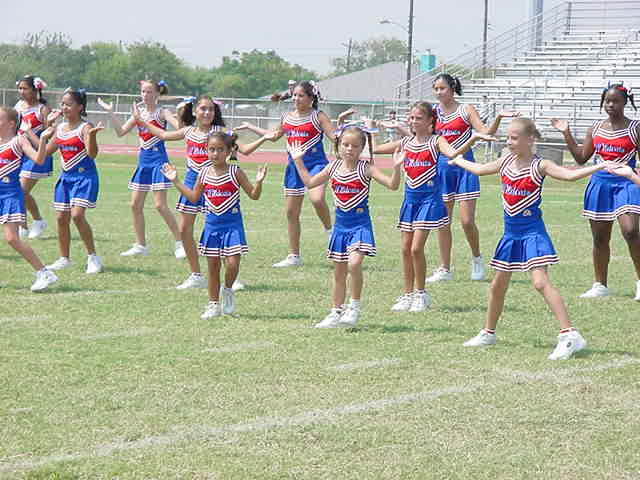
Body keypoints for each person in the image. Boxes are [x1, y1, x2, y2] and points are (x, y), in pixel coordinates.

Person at [453, 118, 607, 360]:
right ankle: (488, 333)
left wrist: (599, 166)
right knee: (497, 286)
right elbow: (480, 169)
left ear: (530, 139)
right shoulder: (505, 161)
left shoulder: (541, 165)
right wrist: (458, 159)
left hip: (533, 233)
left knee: (540, 282)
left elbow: (569, 176)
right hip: (510, 235)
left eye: (514, 138)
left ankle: (570, 334)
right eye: (507, 137)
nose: (509, 141)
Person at [133, 96, 275, 289]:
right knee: (184, 229)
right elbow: (163, 135)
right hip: (193, 181)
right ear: (194, 111)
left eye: (211, 109)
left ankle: (232, 278)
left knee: (220, 228)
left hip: (217, 181)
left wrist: (264, 138)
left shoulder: (221, 132)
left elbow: (245, 150)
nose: (207, 113)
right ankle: (196, 275)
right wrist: (141, 121)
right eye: (203, 109)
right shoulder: (188, 131)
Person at [372, 102, 496, 312]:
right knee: (405, 249)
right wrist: (372, 130)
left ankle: (421, 294)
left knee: (416, 248)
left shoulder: (436, 141)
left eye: (418, 118)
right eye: (411, 118)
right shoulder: (406, 142)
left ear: (431, 120)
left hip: (429, 201)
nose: (413, 121)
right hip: (410, 201)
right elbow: (375, 149)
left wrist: (473, 139)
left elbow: (454, 154)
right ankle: (407, 295)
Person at [289, 125, 403, 327]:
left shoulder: (366, 168)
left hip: (360, 225)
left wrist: (396, 168)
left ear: (362, 148)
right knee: (339, 273)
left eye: (355, 146)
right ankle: (336, 312)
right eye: (345, 144)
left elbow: (392, 185)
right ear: (338, 145)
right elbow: (310, 182)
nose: (349, 149)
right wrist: (298, 160)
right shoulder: (332, 167)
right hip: (340, 227)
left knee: (354, 264)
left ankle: (354, 307)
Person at [162, 132, 268, 319]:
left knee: (233, 264)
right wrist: (176, 180)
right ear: (206, 150)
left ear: (229, 151)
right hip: (212, 226)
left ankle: (227, 290)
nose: (216, 153)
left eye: (220, 149)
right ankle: (213, 305)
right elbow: (194, 197)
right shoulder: (203, 173)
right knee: (213, 268)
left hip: (232, 225)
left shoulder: (235, 172)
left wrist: (259, 182)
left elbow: (254, 195)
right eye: (212, 149)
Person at [552, 82, 640, 301]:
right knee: (600, 238)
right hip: (600, 184)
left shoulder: (635, 128)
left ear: (625, 102)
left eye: (615, 101)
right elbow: (581, 157)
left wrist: (634, 177)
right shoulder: (596, 128)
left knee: (631, 231)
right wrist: (566, 133)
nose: (610, 105)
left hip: (626, 183)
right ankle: (600, 285)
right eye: (607, 101)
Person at [428, 74, 519, 283]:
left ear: (452, 88)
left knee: (467, 221)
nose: (439, 92)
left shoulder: (466, 109)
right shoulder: (433, 113)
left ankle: (477, 258)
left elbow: (485, 132)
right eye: (436, 89)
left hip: (465, 168)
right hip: (441, 169)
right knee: (443, 221)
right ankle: (444, 268)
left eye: (442, 88)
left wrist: (498, 117)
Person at [239, 81, 334, 267]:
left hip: (316, 165)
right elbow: (274, 136)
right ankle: (293, 256)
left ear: (311, 98)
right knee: (291, 213)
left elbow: (335, 136)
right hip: (293, 168)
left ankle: (330, 231)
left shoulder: (318, 116)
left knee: (316, 199)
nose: (296, 99)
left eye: (301, 95)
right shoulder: (287, 117)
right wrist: (251, 126)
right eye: (295, 95)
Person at [97, 80, 183, 259]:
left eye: (149, 92)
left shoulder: (162, 112)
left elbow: (180, 130)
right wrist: (110, 112)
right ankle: (140, 245)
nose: (145, 95)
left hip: (159, 161)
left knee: (160, 206)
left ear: (157, 94)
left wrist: (181, 115)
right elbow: (120, 132)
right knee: (135, 205)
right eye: (143, 92)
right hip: (143, 162)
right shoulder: (139, 113)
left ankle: (180, 243)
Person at [36, 88, 104, 274]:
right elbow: (45, 152)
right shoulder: (60, 128)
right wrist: (42, 130)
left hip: (84, 177)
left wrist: (92, 136)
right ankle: (64, 258)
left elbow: (92, 154)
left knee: (77, 215)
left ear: (80, 107)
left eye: (68, 104)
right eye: (62, 104)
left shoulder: (85, 127)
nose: (64, 107)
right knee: (61, 218)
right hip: (66, 178)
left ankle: (93, 258)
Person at [0, 107, 58, 291]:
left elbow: (39, 160)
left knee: (12, 239)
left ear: (11, 124)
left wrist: (43, 139)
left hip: (10, 194)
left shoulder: (19, 140)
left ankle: (44, 273)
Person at [15, 75, 53, 239]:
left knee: (21, 191)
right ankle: (23, 227)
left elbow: (49, 137)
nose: (21, 91)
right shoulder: (18, 106)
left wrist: (31, 133)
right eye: (20, 88)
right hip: (20, 153)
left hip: (37, 154)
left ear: (35, 89)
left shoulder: (43, 109)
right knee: (18, 190)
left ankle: (37, 221)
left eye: (25, 88)